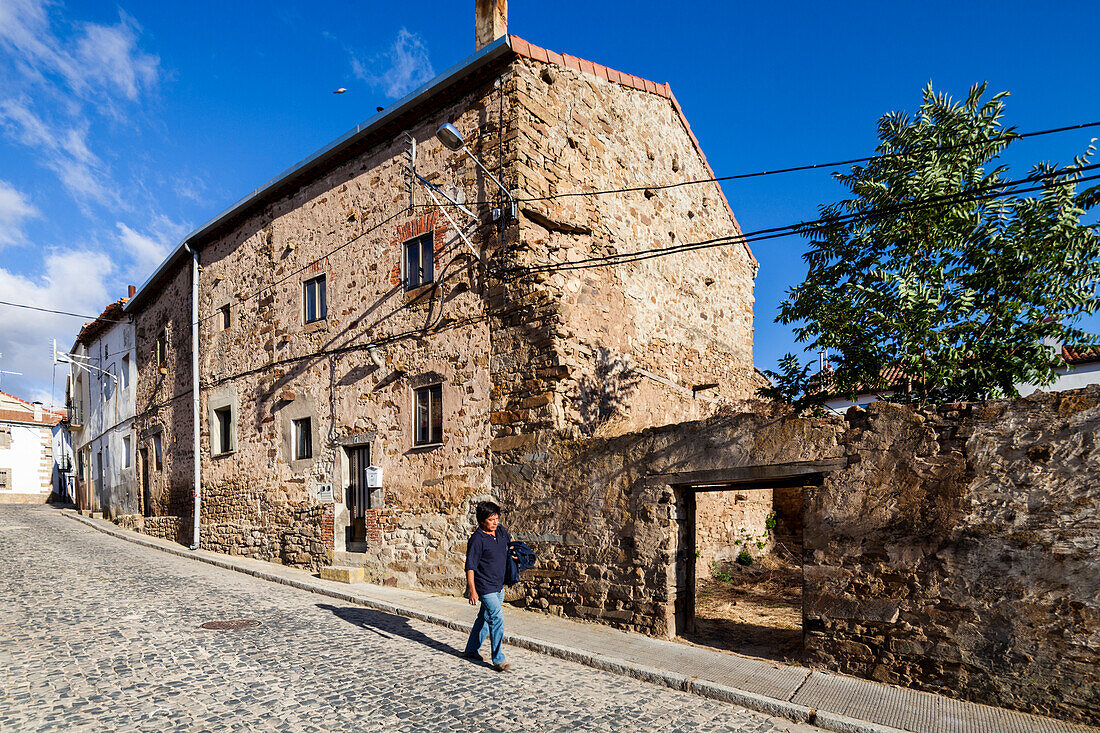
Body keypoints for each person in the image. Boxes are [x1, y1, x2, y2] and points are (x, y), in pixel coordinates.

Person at [463, 501, 513, 671]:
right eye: (491, 519)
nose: (495, 522)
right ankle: (498, 659)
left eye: (497, 518)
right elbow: (470, 567)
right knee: (497, 618)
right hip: (485, 587)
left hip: (499, 586)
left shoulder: (500, 531)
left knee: (484, 618)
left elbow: (511, 541)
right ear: (482, 520)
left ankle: (471, 650)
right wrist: (472, 590)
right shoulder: (477, 539)